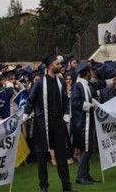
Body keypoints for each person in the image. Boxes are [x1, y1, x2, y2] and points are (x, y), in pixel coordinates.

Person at [23, 55, 78, 192]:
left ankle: (67, 186)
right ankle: (44, 187)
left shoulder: (61, 83)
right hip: (42, 124)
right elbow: (30, 100)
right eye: (57, 64)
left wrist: (66, 115)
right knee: (42, 157)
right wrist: (25, 116)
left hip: (58, 123)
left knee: (62, 156)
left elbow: (66, 101)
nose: (60, 66)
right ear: (50, 66)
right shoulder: (40, 83)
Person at [71, 61, 99, 185]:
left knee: (88, 148)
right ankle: (80, 176)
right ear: (87, 73)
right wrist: (90, 106)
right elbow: (75, 102)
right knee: (87, 148)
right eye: (90, 71)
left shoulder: (87, 85)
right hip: (83, 122)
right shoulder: (78, 86)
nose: (92, 73)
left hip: (89, 120)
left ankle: (86, 174)